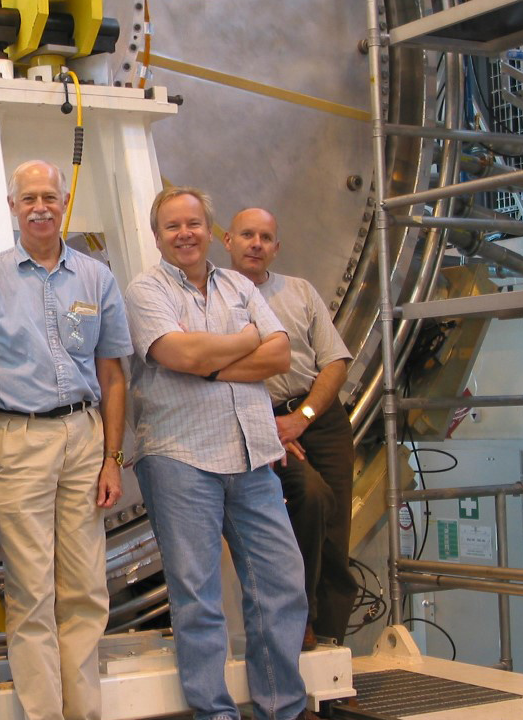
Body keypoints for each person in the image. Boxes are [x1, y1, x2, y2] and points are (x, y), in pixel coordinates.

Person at [124, 187, 314, 720]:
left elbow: (279, 355)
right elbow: (176, 352)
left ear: (210, 230)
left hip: (252, 453)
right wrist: (243, 340)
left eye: (193, 224)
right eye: (171, 226)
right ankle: (215, 713)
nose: (184, 234)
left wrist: (210, 361)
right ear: (157, 234)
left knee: (281, 582)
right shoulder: (145, 290)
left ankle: (284, 708)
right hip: (180, 456)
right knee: (197, 597)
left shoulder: (236, 284)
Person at [0, 160, 132, 720]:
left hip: (84, 437)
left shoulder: (96, 277)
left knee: (84, 589)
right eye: (28, 197)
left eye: (49, 197)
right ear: (12, 206)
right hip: (18, 438)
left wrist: (112, 458)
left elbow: (114, 377)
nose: (40, 207)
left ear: (64, 203)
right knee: (31, 593)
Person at [223, 208, 357, 649]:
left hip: (318, 417)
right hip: (264, 425)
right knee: (311, 498)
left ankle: (334, 647)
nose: (256, 243)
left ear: (276, 248)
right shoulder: (217, 298)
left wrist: (303, 420)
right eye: (247, 234)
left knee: (336, 530)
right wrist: (270, 427)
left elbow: (334, 361)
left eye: (265, 237)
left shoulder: (300, 292)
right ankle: (301, 620)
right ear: (228, 241)